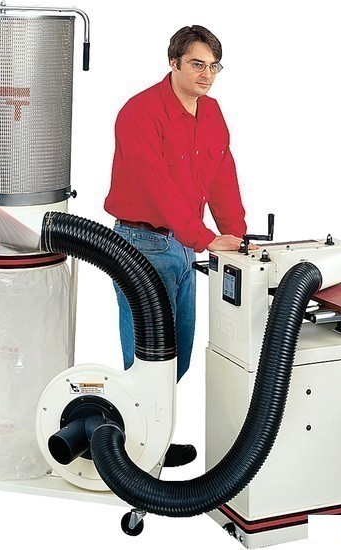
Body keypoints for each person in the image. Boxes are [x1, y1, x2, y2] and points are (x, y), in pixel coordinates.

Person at [104, 25, 253, 466]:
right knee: (147, 361)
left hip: (185, 249)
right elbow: (158, 189)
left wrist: (235, 237)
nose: (207, 75)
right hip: (141, 245)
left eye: (214, 66)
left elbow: (222, 176)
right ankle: (134, 451)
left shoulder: (212, 113)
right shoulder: (140, 113)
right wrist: (206, 238)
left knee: (178, 357)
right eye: (197, 65)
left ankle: (145, 438)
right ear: (173, 63)